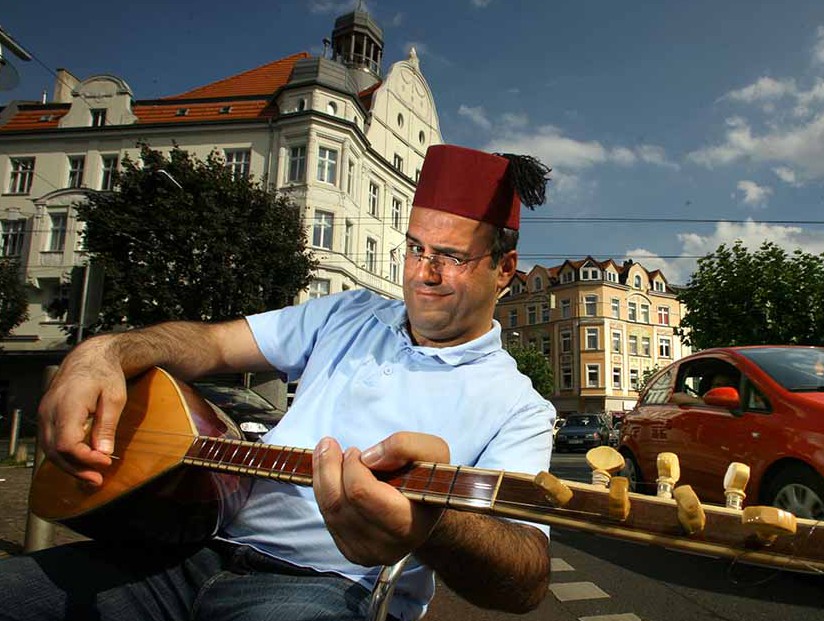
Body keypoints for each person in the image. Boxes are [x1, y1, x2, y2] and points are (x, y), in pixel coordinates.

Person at [0, 144, 556, 621]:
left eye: (451, 256)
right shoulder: (347, 313)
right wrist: (105, 352)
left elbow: (526, 577)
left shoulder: (518, 406)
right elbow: (213, 344)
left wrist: (431, 527)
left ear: (504, 269)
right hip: (191, 548)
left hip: (327, 588)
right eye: (415, 248)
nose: (422, 273)